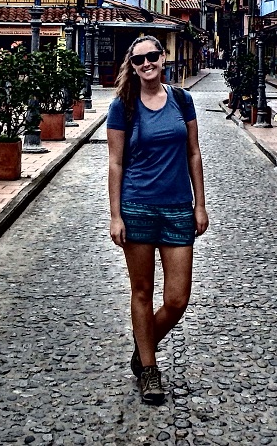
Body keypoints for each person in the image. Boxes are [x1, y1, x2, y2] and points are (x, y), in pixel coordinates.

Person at [107, 35, 208, 405]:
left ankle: (143, 343)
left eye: (152, 56)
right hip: (138, 208)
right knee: (142, 292)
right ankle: (149, 369)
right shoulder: (123, 107)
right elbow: (115, 163)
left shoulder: (183, 100)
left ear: (163, 58)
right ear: (132, 66)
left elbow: (194, 153)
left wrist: (200, 205)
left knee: (178, 299)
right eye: (139, 60)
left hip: (179, 207)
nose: (147, 63)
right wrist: (115, 215)